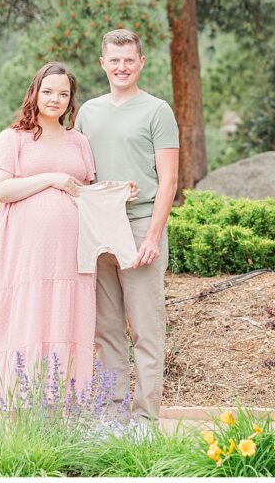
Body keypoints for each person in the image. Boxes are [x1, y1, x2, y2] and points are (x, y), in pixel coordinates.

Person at [0, 61, 101, 402]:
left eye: (63, 93)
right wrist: (50, 178)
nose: (54, 99)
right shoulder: (13, 138)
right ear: (35, 93)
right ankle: (14, 403)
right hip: (24, 252)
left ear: (71, 100)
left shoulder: (79, 142)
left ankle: (65, 407)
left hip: (72, 256)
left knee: (65, 320)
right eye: (48, 91)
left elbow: (86, 192)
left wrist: (120, 192)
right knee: (26, 317)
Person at [76, 29, 179, 424]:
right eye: (114, 60)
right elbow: (83, 175)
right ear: (103, 63)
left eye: (129, 60)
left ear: (141, 63)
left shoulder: (157, 111)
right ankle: (111, 419)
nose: (122, 67)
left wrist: (153, 236)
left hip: (139, 230)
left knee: (146, 332)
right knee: (107, 331)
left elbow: (168, 179)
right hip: (100, 231)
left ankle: (144, 423)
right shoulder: (88, 112)